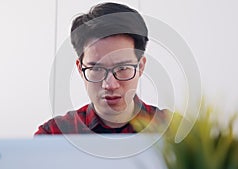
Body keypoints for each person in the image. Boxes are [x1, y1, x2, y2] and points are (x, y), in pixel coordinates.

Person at [35, 2, 168, 135]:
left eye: (122, 68)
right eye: (97, 69)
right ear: (80, 69)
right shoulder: (54, 134)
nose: (110, 85)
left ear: (141, 67)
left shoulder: (173, 130)